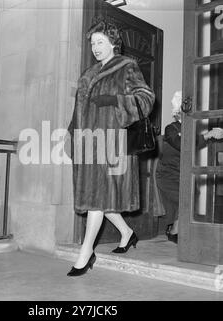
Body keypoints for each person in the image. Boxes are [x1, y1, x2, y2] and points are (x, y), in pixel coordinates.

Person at [66, 17, 155, 277]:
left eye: (100, 41)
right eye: (93, 42)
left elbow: (146, 99)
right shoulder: (88, 74)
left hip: (111, 142)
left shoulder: (127, 66)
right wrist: (70, 134)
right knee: (101, 197)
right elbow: (78, 109)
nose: (95, 47)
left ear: (113, 43)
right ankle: (127, 233)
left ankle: (85, 253)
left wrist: (115, 101)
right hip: (87, 142)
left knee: (96, 196)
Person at [156, 91, 223, 244]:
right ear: (179, 112)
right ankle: (173, 231)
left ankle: (176, 229)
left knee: (191, 197)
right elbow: (183, 145)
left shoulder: (193, 130)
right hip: (167, 176)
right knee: (185, 199)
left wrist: (213, 134)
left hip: (184, 174)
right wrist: (208, 135)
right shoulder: (171, 128)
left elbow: (196, 144)